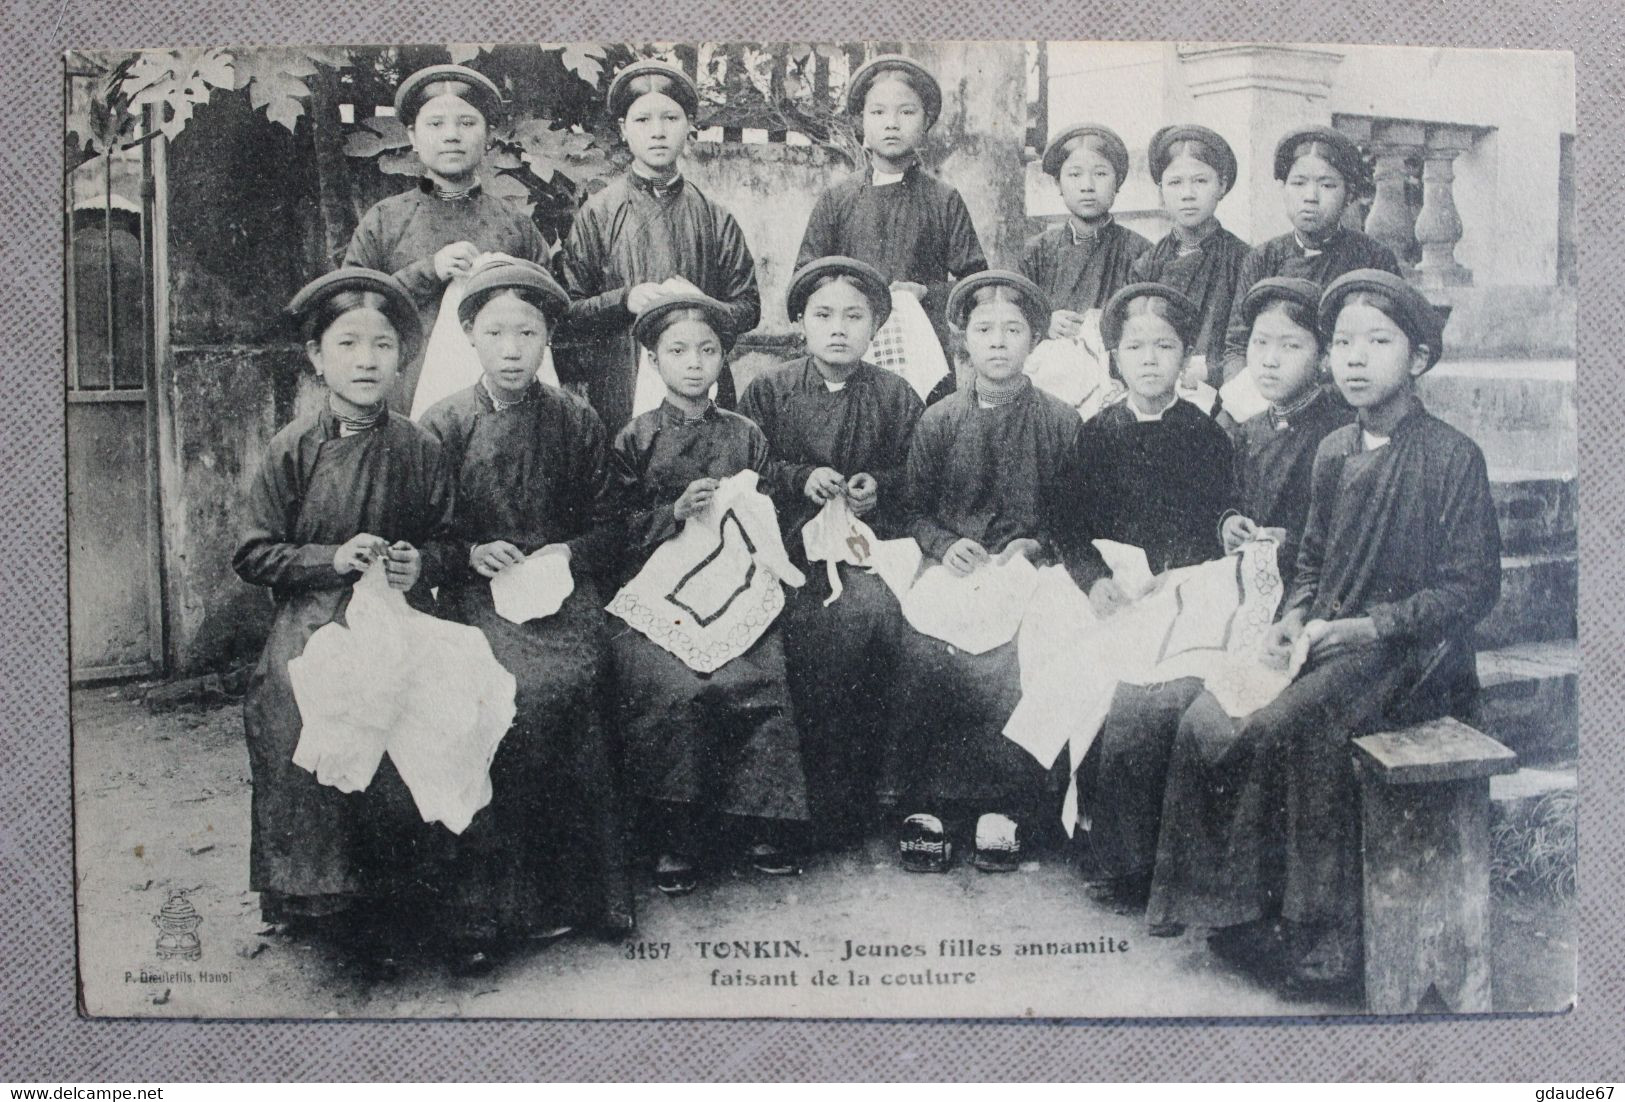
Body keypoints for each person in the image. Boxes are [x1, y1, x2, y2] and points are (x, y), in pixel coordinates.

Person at [1147, 269, 1501, 991]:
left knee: (1289, 727)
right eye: (1342, 343)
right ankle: (1238, 910)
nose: (1355, 358)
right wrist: (1295, 618)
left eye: (1378, 341)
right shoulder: (1333, 449)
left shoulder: (1450, 457)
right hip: (1327, 639)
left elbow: (1469, 589)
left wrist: (1369, 627)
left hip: (1411, 660)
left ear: (1420, 359)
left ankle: (1325, 934)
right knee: (1209, 716)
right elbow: (1310, 558)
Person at [417, 257, 633, 973]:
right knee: (499, 694)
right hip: (477, 600)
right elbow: (427, 537)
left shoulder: (575, 418)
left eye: (528, 333)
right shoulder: (443, 424)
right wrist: (471, 552)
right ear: (471, 338)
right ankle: (489, 904)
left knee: (573, 681)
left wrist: (567, 555)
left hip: (562, 593)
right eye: (496, 333)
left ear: (547, 342)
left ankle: (586, 893)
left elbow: (612, 525)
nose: (512, 349)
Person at [233, 269, 452, 972]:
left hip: (400, 615)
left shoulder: (420, 448)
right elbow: (255, 552)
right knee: (296, 704)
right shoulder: (293, 448)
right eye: (348, 343)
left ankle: (402, 894)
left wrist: (421, 563)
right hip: (315, 618)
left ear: (401, 357)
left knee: (424, 705)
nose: (366, 360)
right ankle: (316, 893)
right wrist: (331, 558)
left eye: (382, 345)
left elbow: (451, 537)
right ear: (316, 356)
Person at [607, 291, 809, 895]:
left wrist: (742, 513)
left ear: (724, 359)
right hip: (660, 585)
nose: (693, 363)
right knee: (671, 684)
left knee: (759, 670)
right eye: (677, 351)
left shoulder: (747, 434)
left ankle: (759, 821)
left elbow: (770, 509)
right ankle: (676, 831)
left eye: (708, 351)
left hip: (739, 582)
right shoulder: (634, 438)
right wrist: (671, 511)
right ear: (654, 360)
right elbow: (615, 527)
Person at [889, 270, 1081, 873]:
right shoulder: (940, 420)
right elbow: (911, 510)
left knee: (1020, 652)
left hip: (1032, 566)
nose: (998, 342)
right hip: (957, 567)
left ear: (1034, 341)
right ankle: (930, 804)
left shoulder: (1061, 422)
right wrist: (944, 545)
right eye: (984, 330)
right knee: (926, 650)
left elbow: (1077, 516)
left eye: (1013, 330)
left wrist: (1037, 543)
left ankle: (1007, 806)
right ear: (963, 341)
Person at [1060, 282, 1236, 923]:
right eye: (1135, 347)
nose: (1150, 360)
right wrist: (1094, 579)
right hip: (1113, 590)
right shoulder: (1096, 434)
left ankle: (1150, 859)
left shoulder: (1206, 437)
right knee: (1089, 675)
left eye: (1165, 347)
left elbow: (1222, 520)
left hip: (1183, 593)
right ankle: (1101, 846)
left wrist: (1185, 574)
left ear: (1187, 357)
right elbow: (1068, 524)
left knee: (1154, 690)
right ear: (1113, 357)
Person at [738, 257, 925, 846]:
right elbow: (749, 469)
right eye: (823, 315)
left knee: (871, 615)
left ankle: (863, 796)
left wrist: (880, 488)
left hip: (866, 548)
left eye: (854, 316)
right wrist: (798, 478)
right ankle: (796, 804)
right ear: (800, 322)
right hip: (786, 545)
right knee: (795, 624)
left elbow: (917, 477)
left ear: (875, 328)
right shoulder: (767, 390)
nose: (838, 328)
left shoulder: (896, 396)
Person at [557, 60, 761, 433]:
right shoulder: (598, 214)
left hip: (704, 383)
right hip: (621, 383)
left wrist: (703, 304)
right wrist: (623, 300)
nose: (658, 132)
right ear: (622, 129)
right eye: (642, 120)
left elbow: (748, 307)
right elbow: (568, 312)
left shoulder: (714, 217)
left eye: (670, 118)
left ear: (689, 125)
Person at [343, 64, 549, 413]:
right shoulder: (385, 219)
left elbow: (547, 313)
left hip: (499, 412)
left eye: (467, 123)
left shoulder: (516, 225)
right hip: (403, 406)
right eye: (435, 124)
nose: (452, 135)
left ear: (488, 135)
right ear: (412, 135)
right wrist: (427, 271)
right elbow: (350, 312)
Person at [795, 52, 988, 397]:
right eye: (878, 112)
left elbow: (974, 288)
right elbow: (806, 277)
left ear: (926, 122)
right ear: (861, 124)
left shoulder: (943, 199)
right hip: (848, 353)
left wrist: (927, 293)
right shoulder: (837, 199)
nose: (892, 123)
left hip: (922, 352)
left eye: (907, 112)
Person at [1218, 125, 1401, 382]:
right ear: (1283, 188)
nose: (1310, 197)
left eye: (1327, 185)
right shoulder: (1263, 258)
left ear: (1349, 194)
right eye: (1299, 183)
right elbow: (1236, 346)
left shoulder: (1372, 258)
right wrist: (1243, 397)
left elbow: (1385, 346)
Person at [1217, 277, 1355, 593]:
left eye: (1291, 346)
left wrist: (1289, 542)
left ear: (1324, 358)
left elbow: (1348, 536)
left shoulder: (1340, 433)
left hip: (1313, 590)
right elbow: (1233, 500)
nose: (1270, 360)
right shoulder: (1250, 430)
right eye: (1260, 342)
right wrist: (1229, 524)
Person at [1129, 125, 1250, 389]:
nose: (1187, 194)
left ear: (1222, 185)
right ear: (1161, 190)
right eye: (1175, 182)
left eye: (1200, 181)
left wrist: (1210, 370)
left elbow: (1245, 344)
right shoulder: (1147, 263)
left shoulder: (1244, 261)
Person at [1021, 124, 1152, 349]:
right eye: (1074, 174)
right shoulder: (1037, 251)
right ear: (1058, 184)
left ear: (1118, 182)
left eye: (1100, 174)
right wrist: (1044, 324)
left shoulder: (1141, 252)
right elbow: (1016, 314)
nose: (1087, 186)